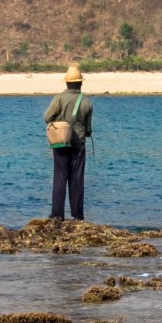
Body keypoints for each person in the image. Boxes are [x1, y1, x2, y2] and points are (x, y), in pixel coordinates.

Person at [43, 63, 93, 221]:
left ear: (66, 82)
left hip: (61, 144)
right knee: (77, 180)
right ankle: (77, 215)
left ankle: (57, 214)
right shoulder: (86, 102)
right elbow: (88, 129)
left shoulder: (58, 98)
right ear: (80, 82)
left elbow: (46, 118)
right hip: (78, 146)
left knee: (59, 178)